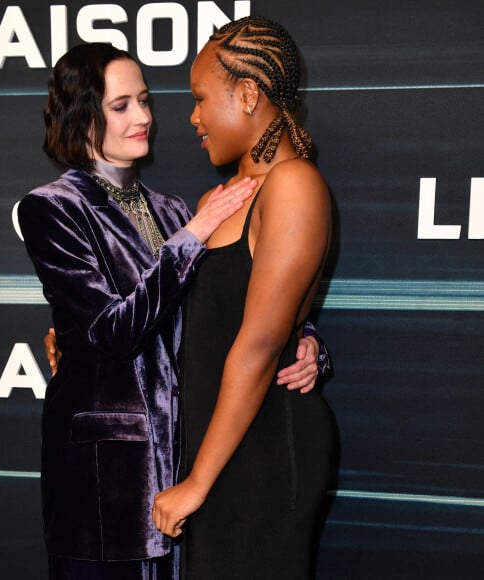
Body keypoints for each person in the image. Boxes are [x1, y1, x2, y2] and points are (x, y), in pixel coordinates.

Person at [18, 42, 325, 579]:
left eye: (144, 100)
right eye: (121, 106)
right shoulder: (51, 207)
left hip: (181, 461)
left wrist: (305, 339)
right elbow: (112, 331)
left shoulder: (174, 209)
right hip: (106, 478)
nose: (145, 117)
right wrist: (191, 239)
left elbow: (225, 309)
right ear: (80, 114)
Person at [152, 16, 337, 580]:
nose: (193, 116)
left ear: (249, 93)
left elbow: (256, 347)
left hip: (262, 452)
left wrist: (196, 483)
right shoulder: (218, 199)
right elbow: (199, 325)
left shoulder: (295, 185)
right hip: (216, 444)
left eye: (201, 98)